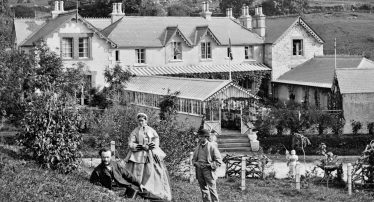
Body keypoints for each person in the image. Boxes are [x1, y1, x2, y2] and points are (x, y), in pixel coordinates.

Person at [125, 113, 172, 201]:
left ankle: (151, 189)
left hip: (150, 153)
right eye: (139, 120)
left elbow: (156, 139)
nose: (141, 122)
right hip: (138, 153)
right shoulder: (135, 131)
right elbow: (130, 142)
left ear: (146, 121)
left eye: (142, 120)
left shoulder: (151, 130)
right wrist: (138, 146)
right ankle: (137, 189)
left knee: (152, 171)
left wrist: (152, 145)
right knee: (136, 171)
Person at [192, 129, 223, 202]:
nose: (199, 138)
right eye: (199, 136)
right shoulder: (197, 147)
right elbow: (193, 159)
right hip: (199, 170)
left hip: (208, 171)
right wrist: (196, 163)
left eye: (201, 137)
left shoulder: (212, 147)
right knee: (203, 189)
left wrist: (209, 165)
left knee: (212, 189)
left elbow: (219, 161)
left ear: (206, 137)